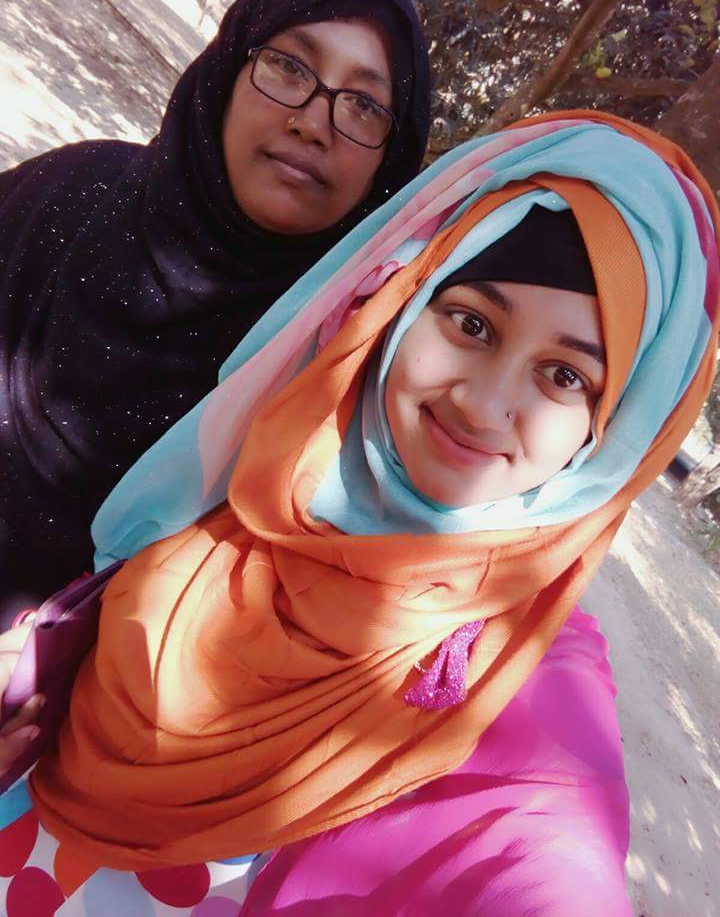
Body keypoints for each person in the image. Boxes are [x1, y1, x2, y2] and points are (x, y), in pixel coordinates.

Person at [0, 111, 717, 915]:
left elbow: (535, 857)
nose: (484, 406)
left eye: (565, 377)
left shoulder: (525, 684)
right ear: (404, 303)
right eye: (472, 324)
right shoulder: (255, 460)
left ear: (614, 435)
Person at [0, 0, 430, 617]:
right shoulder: (67, 196)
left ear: (390, 161)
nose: (313, 123)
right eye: (289, 66)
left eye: (365, 105)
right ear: (229, 69)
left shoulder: (333, 381)